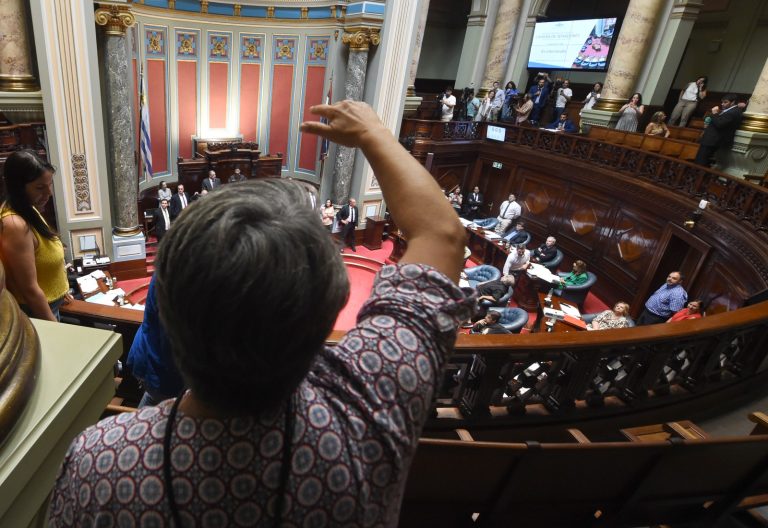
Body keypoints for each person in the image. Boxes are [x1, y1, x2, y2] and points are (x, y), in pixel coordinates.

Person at [48, 100, 473, 526]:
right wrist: (373, 134)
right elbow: (442, 235)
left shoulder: (98, 463)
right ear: (327, 317)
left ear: (169, 320)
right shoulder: (371, 412)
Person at [0, 150, 70, 321]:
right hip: (38, 312)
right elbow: (29, 290)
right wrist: (55, 328)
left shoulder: (28, 208)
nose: (49, 193)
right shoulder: (15, 225)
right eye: (40, 187)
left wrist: (62, 290)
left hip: (53, 302)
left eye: (49, 185)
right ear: (18, 187)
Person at [127, 275, 184, 407]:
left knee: (153, 399)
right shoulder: (175, 280)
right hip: (164, 372)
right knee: (157, 401)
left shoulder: (166, 270)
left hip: (152, 360)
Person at [694, 94, 744, 167]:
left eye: (725, 102)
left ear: (733, 102)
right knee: (701, 161)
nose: (722, 104)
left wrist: (715, 113)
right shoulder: (730, 110)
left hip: (713, 141)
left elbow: (720, 124)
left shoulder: (734, 112)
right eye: (722, 102)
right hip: (711, 140)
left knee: (700, 162)